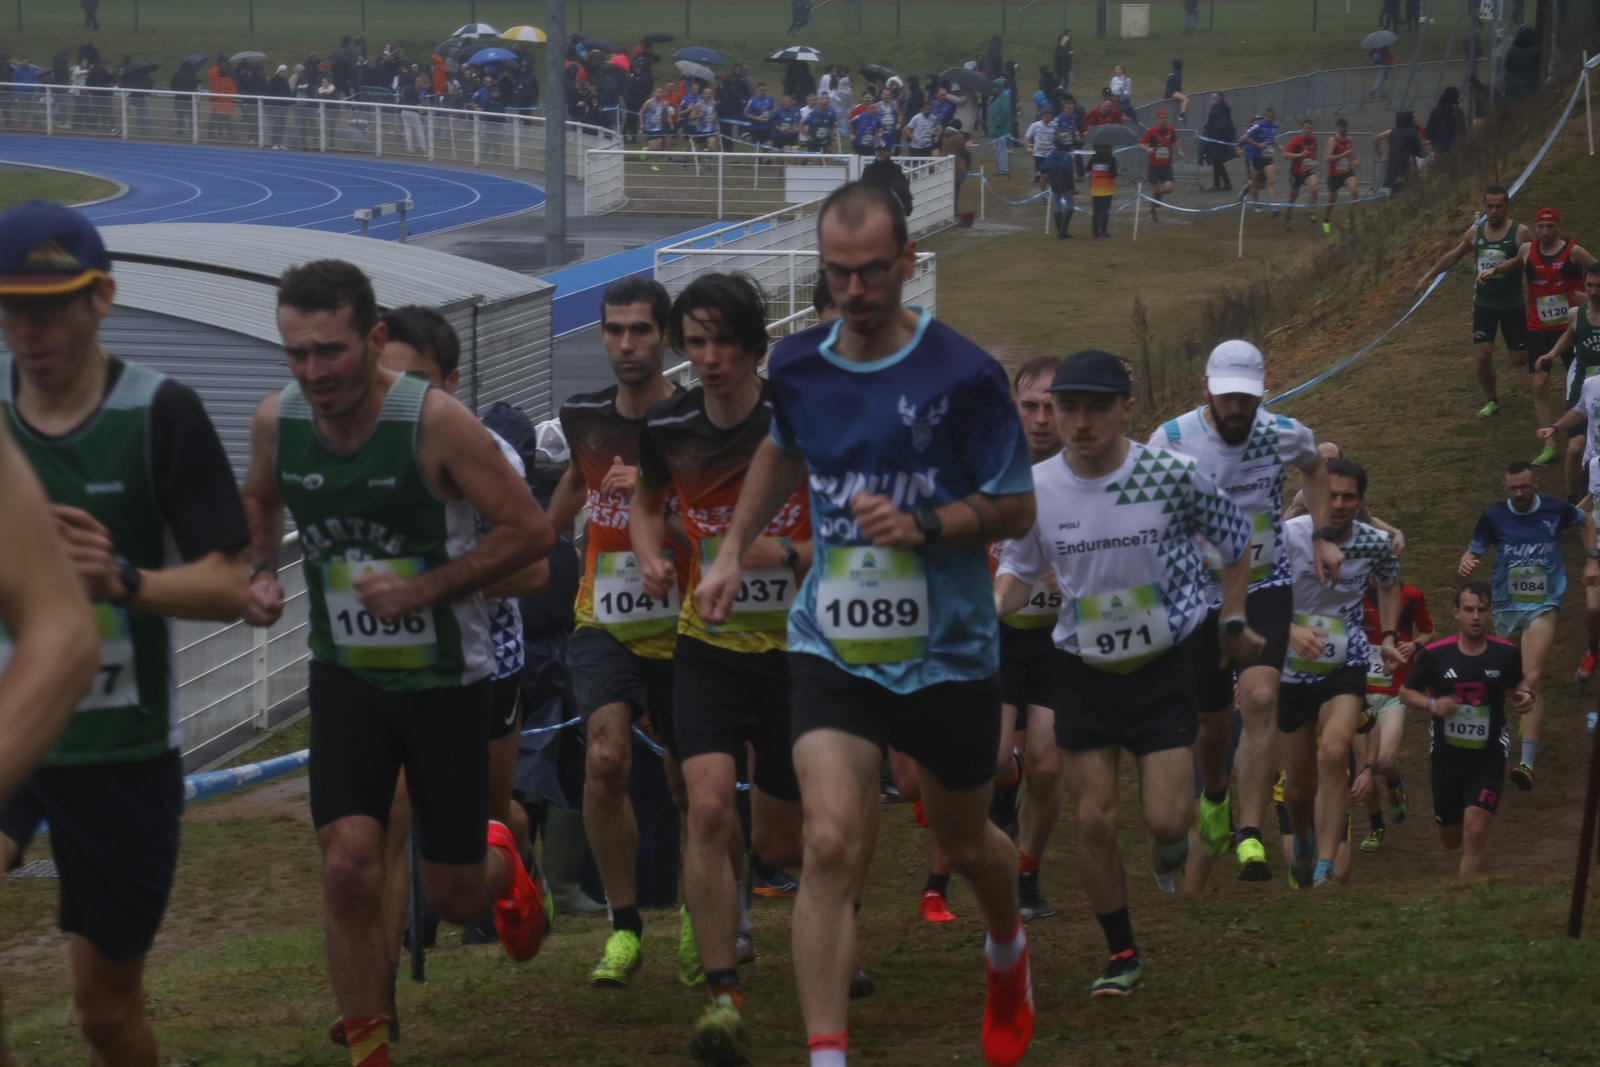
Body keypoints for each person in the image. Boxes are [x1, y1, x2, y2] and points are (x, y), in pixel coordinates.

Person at [696, 182, 1038, 1067]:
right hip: (835, 643)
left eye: (873, 272)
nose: (855, 290)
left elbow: (1016, 508)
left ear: (907, 262)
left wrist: (922, 524)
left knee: (964, 841)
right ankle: (826, 1054)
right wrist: (731, 550)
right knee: (828, 839)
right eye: (839, 273)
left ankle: (1007, 950)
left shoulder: (963, 374)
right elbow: (784, 447)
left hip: (950, 649)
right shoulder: (798, 364)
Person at [241, 261, 554, 1064]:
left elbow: (531, 532)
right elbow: (262, 498)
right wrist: (261, 570)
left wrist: (425, 588)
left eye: (331, 351)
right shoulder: (278, 422)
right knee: (349, 861)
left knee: (452, 894)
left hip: (446, 682)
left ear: (375, 338)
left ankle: (509, 863)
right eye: (296, 353)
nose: (313, 372)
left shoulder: (436, 422)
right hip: (345, 675)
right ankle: (370, 1049)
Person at [0, 201, 251, 1065]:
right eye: (10, 307)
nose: (27, 329)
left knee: (104, 1012)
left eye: (48, 306)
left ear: (101, 296)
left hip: (123, 751)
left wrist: (125, 580)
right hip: (13, 735)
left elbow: (231, 584)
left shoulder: (160, 413)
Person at [998, 349, 1264, 992]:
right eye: (1067, 408)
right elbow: (1018, 571)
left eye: (1096, 408)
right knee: (1093, 818)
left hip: (1162, 666)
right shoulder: (1037, 488)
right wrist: (981, 615)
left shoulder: (1172, 475)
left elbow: (1237, 542)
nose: (1080, 422)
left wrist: (1232, 617)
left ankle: (1174, 842)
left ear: (1127, 409)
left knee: (1168, 823)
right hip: (1080, 668)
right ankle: (1122, 953)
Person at [633, 274, 810, 1064]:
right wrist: (649, 554)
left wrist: (789, 555)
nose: (708, 358)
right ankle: (722, 993)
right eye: (695, 342)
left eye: (724, 343)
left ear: (754, 348)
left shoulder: (796, 421)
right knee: (706, 808)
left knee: (781, 838)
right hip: (705, 645)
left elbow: (852, 532)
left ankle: (832, 923)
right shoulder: (668, 423)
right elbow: (647, 503)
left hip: (799, 653)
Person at [373, 307, 550, 1027]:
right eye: (387, 378)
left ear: (451, 382)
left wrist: (437, 585)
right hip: (394, 664)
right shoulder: (360, 450)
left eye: (416, 381)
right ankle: (376, 1000)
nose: (398, 396)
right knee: (388, 819)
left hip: (485, 662)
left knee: (482, 821)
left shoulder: (487, 455)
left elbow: (535, 571)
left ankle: (518, 865)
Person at [540, 276, 693, 989]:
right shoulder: (584, 417)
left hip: (688, 622)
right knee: (604, 759)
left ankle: (702, 912)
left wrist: (655, 506)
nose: (625, 344)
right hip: (604, 619)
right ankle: (625, 923)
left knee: (693, 785)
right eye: (613, 329)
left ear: (665, 336)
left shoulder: (696, 421)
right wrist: (528, 543)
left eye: (639, 330)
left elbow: (723, 531)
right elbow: (575, 483)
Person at [1153, 340, 1339, 882]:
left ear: (1262, 393)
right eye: (1227, 396)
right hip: (1197, 593)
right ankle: (1215, 796)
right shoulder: (1171, 440)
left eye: (1247, 398)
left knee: (1260, 696)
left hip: (1263, 582)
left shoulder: (1283, 432)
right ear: (1206, 389)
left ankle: (1251, 831)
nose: (1237, 407)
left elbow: (1315, 469)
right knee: (1211, 723)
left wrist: (1322, 535)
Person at [1277, 458, 1400, 889]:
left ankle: (1326, 867)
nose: (1340, 504)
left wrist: (1388, 635)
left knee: (1333, 752)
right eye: (1331, 495)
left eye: (1349, 496)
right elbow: (1257, 593)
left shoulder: (1373, 542)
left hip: (1345, 663)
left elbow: (1389, 581)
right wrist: (1290, 630)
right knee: (1297, 789)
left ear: (1362, 501)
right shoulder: (1289, 536)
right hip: (1291, 670)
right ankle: (1304, 839)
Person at [1458, 460, 1596, 791]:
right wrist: (1467, 561)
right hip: (1505, 606)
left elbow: (1588, 520)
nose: (1519, 494)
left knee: (1532, 678)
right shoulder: (1493, 515)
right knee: (1507, 678)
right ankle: (1513, 725)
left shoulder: (1555, 510)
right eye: (1513, 488)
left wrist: (1593, 558)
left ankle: (1526, 763)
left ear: (1536, 484)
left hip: (1543, 603)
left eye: (1525, 487)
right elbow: (1473, 551)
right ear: (1504, 488)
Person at [990, 358, 1066, 922]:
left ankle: (1027, 875)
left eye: (1052, 407)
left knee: (1047, 767)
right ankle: (1004, 775)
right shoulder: (990, 468)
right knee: (998, 762)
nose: (1041, 419)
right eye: (1030, 406)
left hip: (1057, 642)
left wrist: (1079, 580)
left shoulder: (1085, 473)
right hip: (996, 632)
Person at [1399, 583, 1533, 875]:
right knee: (1451, 840)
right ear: (1456, 613)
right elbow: (1405, 692)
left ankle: (1471, 893)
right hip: (1446, 757)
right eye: (1469, 609)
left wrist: (1526, 695)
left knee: (1475, 831)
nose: (1475, 616)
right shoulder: (1436, 654)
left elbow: (1517, 683)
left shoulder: (1506, 653)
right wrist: (1432, 703)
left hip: (1488, 757)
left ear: (1490, 613)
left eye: (1482, 610)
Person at [1479, 206, 1595, 471]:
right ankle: (1549, 444)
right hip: (1538, 329)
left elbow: (1596, 270)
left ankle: (1588, 436)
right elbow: (1515, 264)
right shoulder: (1527, 250)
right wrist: (1494, 270)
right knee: (1539, 383)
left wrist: (1589, 298)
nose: (1545, 231)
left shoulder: (1574, 251)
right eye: (1541, 226)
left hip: (1572, 329)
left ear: (1559, 227)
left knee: (1583, 385)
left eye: (1550, 226)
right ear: (1536, 227)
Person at [1413, 187, 1532, 418]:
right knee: (1482, 355)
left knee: (1519, 359)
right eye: (1490, 206)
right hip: (1484, 303)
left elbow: (1536, 260)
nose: (1494, 211)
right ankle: (1491, 400)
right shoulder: (1475, 232)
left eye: (1499, 206)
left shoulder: (1521, 232)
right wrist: (1427, 277)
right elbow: (1453, 256)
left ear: (1507, 207)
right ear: (1484, 206)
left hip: (1512, 303)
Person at [1357, 578, 1433, 851]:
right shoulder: (1354, 591)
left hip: (1394, 693)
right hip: (1359, 697)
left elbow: (1428, 632)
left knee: (1385, 760)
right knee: (1363, 768)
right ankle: (1376, 825)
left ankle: (1394, 784)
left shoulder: (1411, 594)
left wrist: (1414, 645)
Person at [1535, 263, 1600, 511]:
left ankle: (1590, 498)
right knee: (1575, 448)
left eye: (1599, 286)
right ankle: (1573, 502)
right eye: (1589, 285)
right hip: (1581, 389)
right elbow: (1570, 334)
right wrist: (1552, 353)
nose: (1593, 291)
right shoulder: (1576, 314)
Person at [1139, 109, 1183, 221]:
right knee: (1154, 190)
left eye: (1165, 118)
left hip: (1166, 165)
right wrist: (1148, 149)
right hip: (1154, 165)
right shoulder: (1151, 131)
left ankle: (1160, 194)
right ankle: (1152, 211)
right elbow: (1141, 144)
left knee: (1169, 188)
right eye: (1161, 118)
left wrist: (1179, 150)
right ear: (1157, 119)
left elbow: (1175, 140)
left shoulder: (1171, 130)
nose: (1163, 120)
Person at [1373, 109, 1424, 195]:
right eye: (1413, 118)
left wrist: (1380, 156)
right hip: (1406, 167)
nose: (1415, 120)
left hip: (1392, 168)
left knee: (1395, 193)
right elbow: (1418, 152)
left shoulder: (1393, 131)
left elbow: (1376, 138)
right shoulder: (1412, 132)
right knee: (1412, 192)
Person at [1320, 117, 1359, 233]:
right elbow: (1327, 158)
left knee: (1354, 190)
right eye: (1342, 126)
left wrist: (1354, 160)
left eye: (1345, 126)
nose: (1344, 128)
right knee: (1332, 198)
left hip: (1346, 172)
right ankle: (1326, 220)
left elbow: (1350, 154)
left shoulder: (1349, 139)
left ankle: (1350, 219)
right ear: (1338, 127)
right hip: (1335, 174)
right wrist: (1342, 155)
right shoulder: (1332, 140)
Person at [1281, 119, 1318, 230]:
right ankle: (1288, 216)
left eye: (1311, 128)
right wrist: (1299, 155)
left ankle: (1311, 212)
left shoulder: (1313, 140)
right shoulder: (1296, 140)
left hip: (1308, 170)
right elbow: (1285, 155)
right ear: (1301, 128)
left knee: (1314, 188)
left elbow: (1314, 153)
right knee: (1293, 195)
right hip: (1296, 172)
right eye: (1307, 128)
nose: (1309, 130)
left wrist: (1315, 161)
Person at [1241, 108, 1279, 217]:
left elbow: (1271, 138)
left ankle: (1273, 205)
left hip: (1267, 156)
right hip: (1256, 157)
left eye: (1272, 117)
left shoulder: (1273, 126)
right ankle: (1245, 189)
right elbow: (1245, 138)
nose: (1271, 119)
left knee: (1271, 180)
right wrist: (1258, 145)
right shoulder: (1258, 126)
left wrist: (1278, 145)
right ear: (1265, 116)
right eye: (1269, 117)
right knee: (1255, 183)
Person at [1039, 134, 1077, 239]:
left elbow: (1043, 170)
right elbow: (1069, 173)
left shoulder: (1050, 157)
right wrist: (1071, 188)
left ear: (1054, 145)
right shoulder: (1067, 156)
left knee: (1057, 206)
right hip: (1065, 184)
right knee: (1070, 207)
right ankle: (1063, 230)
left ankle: (1060, 230)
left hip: (1054, 184)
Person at [860, 141, 913, 216]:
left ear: (889, 153)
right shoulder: (869, 170)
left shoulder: (895, 169)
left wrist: (907, 208)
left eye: (884, 151)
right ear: (876, 153)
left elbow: (904, 187)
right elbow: (862, 188)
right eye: (879, 151)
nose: (881, 153)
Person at [1201, 92, 1237, 192]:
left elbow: (1216, 125)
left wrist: (1207, 126)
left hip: (1216, 139)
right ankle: (1222, 183)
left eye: (1214, 99)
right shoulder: (1224, 109)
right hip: (1222, 139)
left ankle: (1222, 183)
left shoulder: (1216, 110)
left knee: (1217, 161)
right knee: (1217, 161)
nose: (1212, 101)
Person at [1426, 86, 1467, 154]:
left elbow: (1429, 130)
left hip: (1438, 147)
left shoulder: (1435, 111)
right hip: (1454, 148)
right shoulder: (1457, 111)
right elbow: (1461, 131)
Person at [1088, 143, 1116, 239]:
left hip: (1096, 187)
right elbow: (1114, 174)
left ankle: (1095, 232)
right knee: (1105, 211)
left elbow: (1087, 168)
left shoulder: (1093, 158)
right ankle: (1103, 232)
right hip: (1107, 188)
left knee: (1096, 211)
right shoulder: (1111, 160)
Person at [988, 78, 1013, 177]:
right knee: (998, 150)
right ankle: (1000, 169)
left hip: (1002, 128)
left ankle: (1003, 169)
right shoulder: (997, 97)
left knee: (1001, 150)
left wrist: (997, 123)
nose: (993, 89)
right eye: (993, 87)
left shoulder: (1004, 96)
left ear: (999, 87)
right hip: (997, 128)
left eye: (995, 87)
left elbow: (1004, 112)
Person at [804, 92, 838, 159]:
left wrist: (833, 131)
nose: (824, 106)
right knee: (816, 160)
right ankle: (806, 164)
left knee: (823, 160)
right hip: (813, 142)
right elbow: (802, 125)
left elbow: (833, 125)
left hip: (824, 142)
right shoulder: (812, 114)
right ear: (818, 105)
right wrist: (807, 136)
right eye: (822, 105)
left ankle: (808, 163)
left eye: (825, 105)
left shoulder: (829, 115)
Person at [641, 85, 673, 152]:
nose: (659, 94)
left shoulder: (665, 103)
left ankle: (655, 159)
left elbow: (667, 115)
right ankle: (645, 150)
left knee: (658, 149)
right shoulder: (649, 102)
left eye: (661, 92)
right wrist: (642, 124)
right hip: (650, 127)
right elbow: (640, 113)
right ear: (654, 93)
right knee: (653, 148)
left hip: (659, 128)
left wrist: (671, 124)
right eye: (658, 92)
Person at [746, 82, 775, 147]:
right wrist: (757, 118)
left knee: (770, 144)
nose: (763, 92)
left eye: (764, 90)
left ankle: (762, 152)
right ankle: (759, 153)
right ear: (757, 90)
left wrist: (770, 116)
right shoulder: (752, 100)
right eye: (761, 90)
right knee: (758, 147)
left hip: (767, 127)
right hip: (756, 128)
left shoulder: (769, 98)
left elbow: (771, 109)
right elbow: (747, 114)